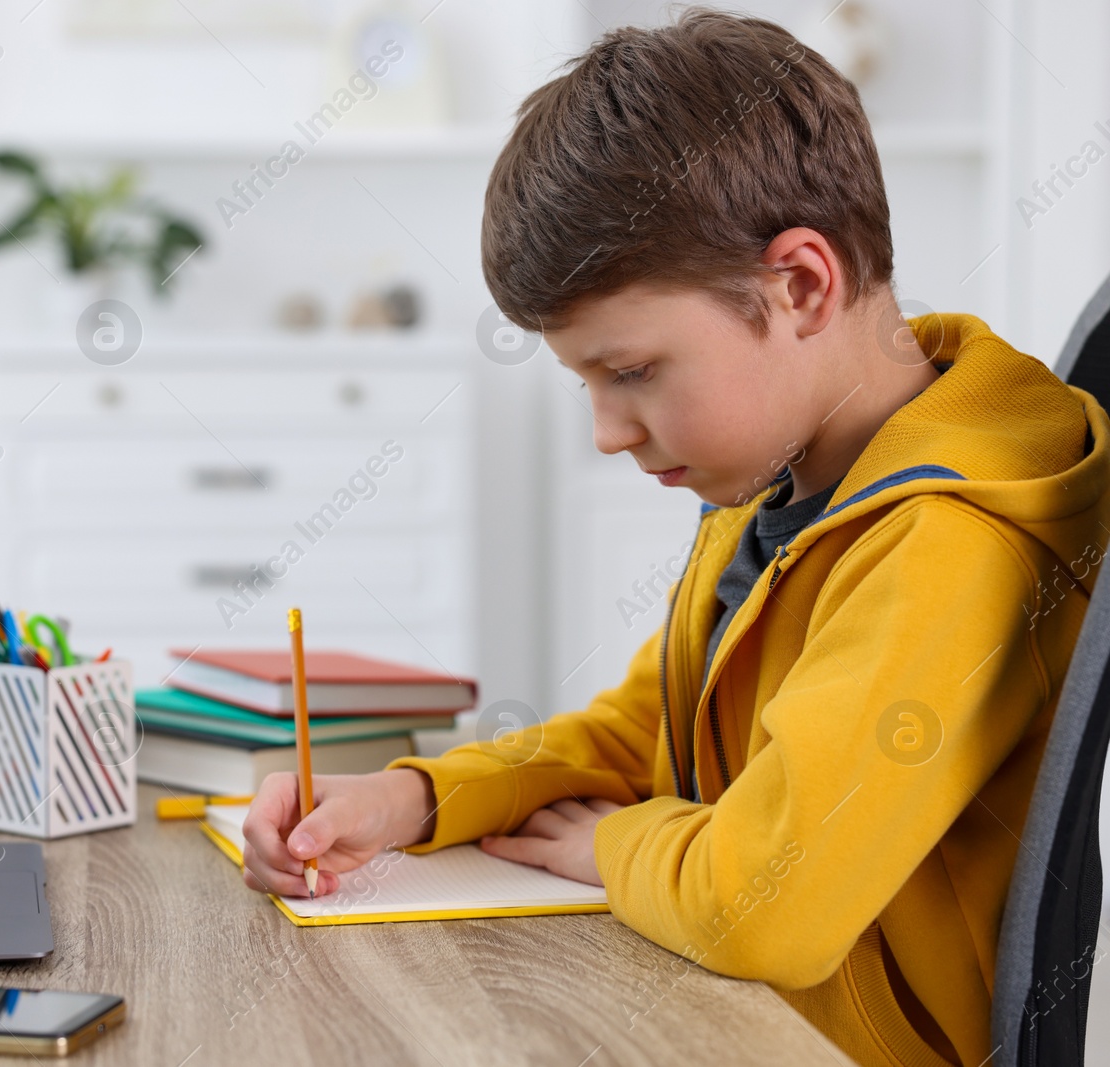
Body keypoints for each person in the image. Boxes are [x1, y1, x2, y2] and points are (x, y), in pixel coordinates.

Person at [239, 9, 1110, 1066]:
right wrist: (412, 797)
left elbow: (761, 903)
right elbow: (641, 734)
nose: (607, 431)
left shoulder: (944, 546)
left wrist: (610, 844)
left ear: (797, 285)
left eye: (633, 371)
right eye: (586, 382)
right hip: (728, 1006)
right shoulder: (784, 478)